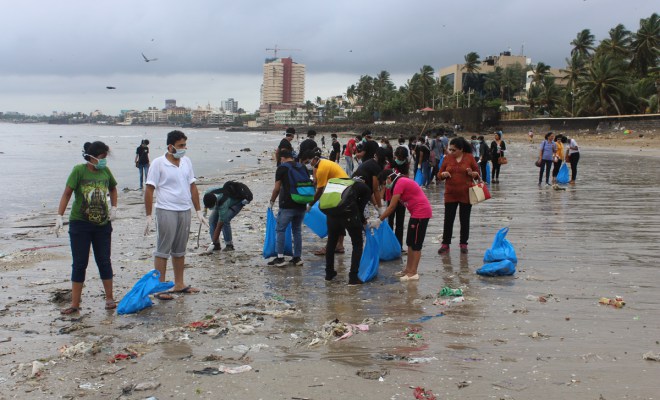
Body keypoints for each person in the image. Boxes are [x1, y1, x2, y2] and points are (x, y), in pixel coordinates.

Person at [144, 130, 208, 300]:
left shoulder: (186, 161)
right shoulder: (158, 163)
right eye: (180, 146)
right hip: (166, 209)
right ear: (170, 146)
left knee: (180, 249)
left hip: (184, 209)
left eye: (185, 145)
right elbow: (149, 189)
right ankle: (160, 287)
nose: (183, 149)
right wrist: (148, 215)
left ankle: (179, 284)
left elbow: (192, 186)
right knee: (163, 249)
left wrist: (198, 211)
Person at [55, 141, 118, 314]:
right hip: (80, 224)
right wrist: (59, 216)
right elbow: (67, 193)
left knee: (104, 260)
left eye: (105, 157)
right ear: (91, 157)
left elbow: (113, 188)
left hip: (102, 224)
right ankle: (75, 304)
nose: (104, 161)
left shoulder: (105, 171)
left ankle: (110, 298)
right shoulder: (78, 171)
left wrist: (114, 208)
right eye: (102, 157)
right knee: (80, 263)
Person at [376, 171, 432, 281]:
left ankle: (413, 272)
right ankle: (408, 269)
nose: (385, 186)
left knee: (416, 244)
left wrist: (379, 220)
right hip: (415, 214)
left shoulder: (399, 183)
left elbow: (392, 207)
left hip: (421, 213)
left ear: (388, 178)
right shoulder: (398, 183)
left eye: (384, 183)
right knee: (410, 242)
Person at [324, 177, 374, 285]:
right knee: (357, 244)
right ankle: (353, 277)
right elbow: (360, 208)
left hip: (332, 214)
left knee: (331, 242)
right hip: (349, 215)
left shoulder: (346, 183)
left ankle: (329, 273)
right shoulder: (366, 189)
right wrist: (363, 222)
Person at [301, 148, 349, 255]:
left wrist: (310, 204)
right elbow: (316, 181)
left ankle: (329, 248)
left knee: (332, 219)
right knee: (339, 218)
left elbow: (319, 191)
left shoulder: (322, 168)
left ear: (314, 159)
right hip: (343, 189)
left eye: (309, 162)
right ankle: (339, 245)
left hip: (340, 190)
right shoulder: (322, 163)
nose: (309, 164)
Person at [437, 137, 480, 255]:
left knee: (464, 220)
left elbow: (477, 174)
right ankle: (445, 244)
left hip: (466, 194)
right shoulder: (447, 158)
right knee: (448, 220)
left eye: (454, 150)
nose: (451, 152)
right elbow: (439, 174)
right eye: (450, 149)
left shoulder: (469, 157)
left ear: (461, 149)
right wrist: (443, 174)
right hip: (450, 194)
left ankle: (463, 244)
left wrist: (473, 173)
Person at [267, 149, 307, 267]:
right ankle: (297, 257)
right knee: (297, 230)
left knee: (280, 229)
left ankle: (280, 258)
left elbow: (277, 188)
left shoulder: (282, 168)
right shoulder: (301, 166)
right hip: (302, 202)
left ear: (282, 158)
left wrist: (271, 202)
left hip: (287, 204)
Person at [203, 184, 249, 252]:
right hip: (221, 201)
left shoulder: (223, 203)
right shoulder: (208, 193)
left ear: (215, 203)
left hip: (237, 202)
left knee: (225, 221)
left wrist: (211, 243)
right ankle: (216, 245)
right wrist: (205, 210)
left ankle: (229, 245)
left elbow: (219, 226)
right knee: (211, 219)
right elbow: (206, 202)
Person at [386, 146, 410, 247]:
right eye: (399, 158)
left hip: (402, 197)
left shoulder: (406, 164)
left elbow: (408, 178)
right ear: (395, 156)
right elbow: (386, 182)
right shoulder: (390, 165)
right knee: (390, 221)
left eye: (402, 158)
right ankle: (390, 243)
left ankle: (398, 245)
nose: (400, 160)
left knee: (400, 223)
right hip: (390, 195)